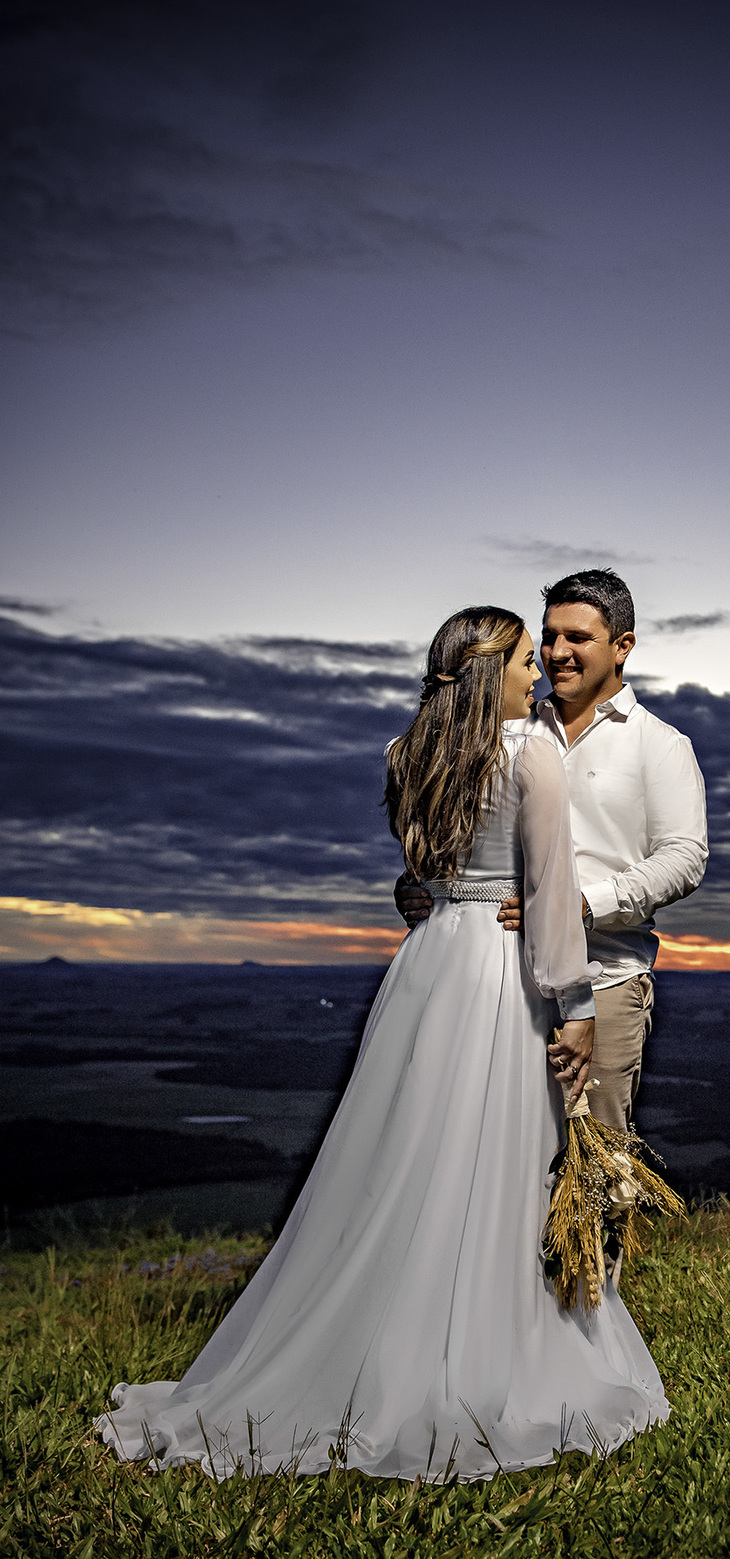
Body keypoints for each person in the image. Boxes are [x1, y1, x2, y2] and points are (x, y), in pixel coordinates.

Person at [96, 607, 668, 1482]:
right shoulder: (532, 754)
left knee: (406, 1155)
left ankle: (375, 1331)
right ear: (491, 673)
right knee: (500, 1161)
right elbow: (550, 895)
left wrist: (444, 899)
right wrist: (577, 1004)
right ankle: (486, 1353)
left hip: (429, 966)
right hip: (498, 974)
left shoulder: (410, 757)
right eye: (522, 657)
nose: (535, 671)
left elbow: (419, 878)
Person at [397, 569, 708, 1146]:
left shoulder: (660, 744)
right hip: (493, 979)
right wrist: (426, 886)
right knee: (490, 1153)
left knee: (593, 1168)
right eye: (548, 636)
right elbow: (470, 831)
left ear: (623, 646)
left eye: (578, 638)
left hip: (603, 976)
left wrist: (577, 908)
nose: (557, 653)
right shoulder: (507, 727)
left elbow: (685, 856)